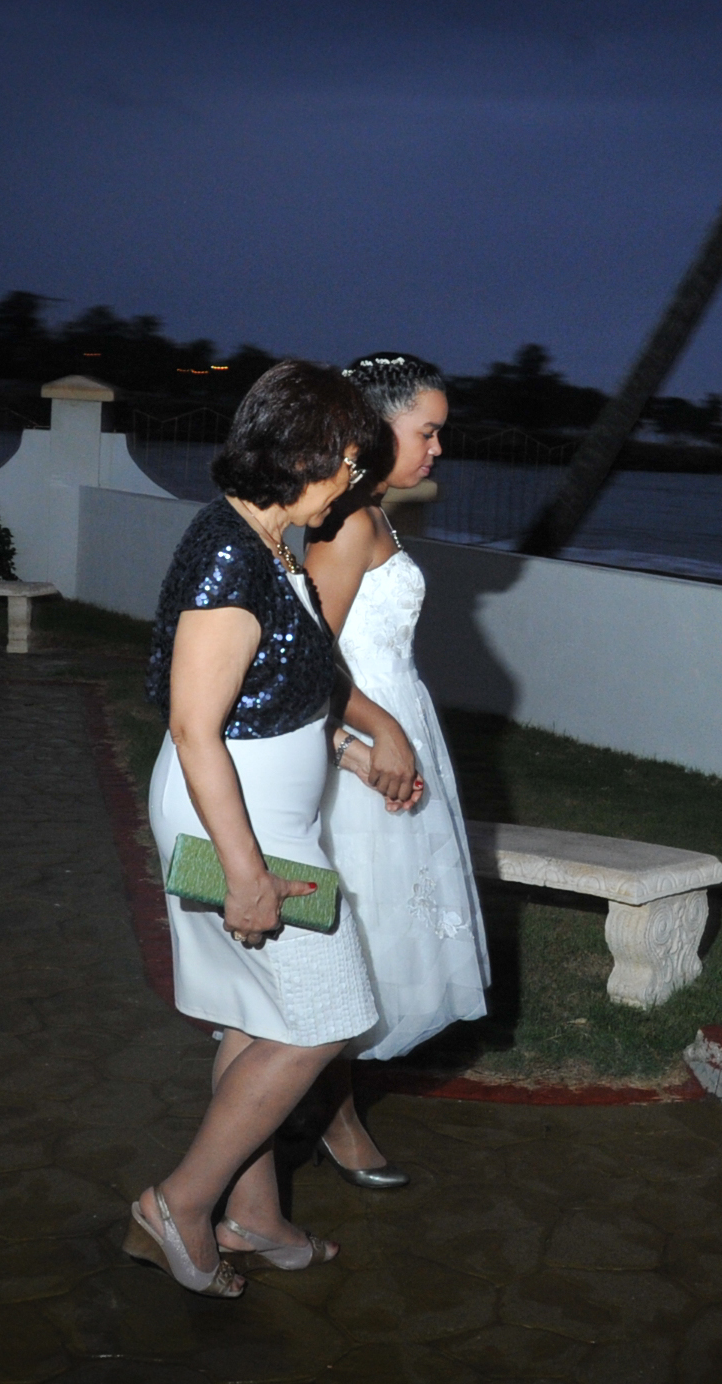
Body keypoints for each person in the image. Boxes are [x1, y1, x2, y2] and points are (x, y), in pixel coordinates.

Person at [129, 359, 421, 1297]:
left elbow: (269, 694)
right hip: (237, 822)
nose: (355, 485)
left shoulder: (270, 543)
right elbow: (195, 727)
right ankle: (181, 1203)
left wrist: (348, 750)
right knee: (326, 1018)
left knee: (260, 1018)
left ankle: (253, 1219)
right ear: (312, 456)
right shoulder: (230, 553)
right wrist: (246, 873)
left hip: (263, 808)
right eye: (351, 466)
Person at [302, 351, 491, 1188]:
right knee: (349, 938)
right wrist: (365, 747)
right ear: (376, 429)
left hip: (396, 736)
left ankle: (327, 1106)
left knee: (375, 938)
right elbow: (304, 661)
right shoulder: (345, 523)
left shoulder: (372, 510)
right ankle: (329, 1116)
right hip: (356, 754)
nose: (439, 449)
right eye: (428, 431)